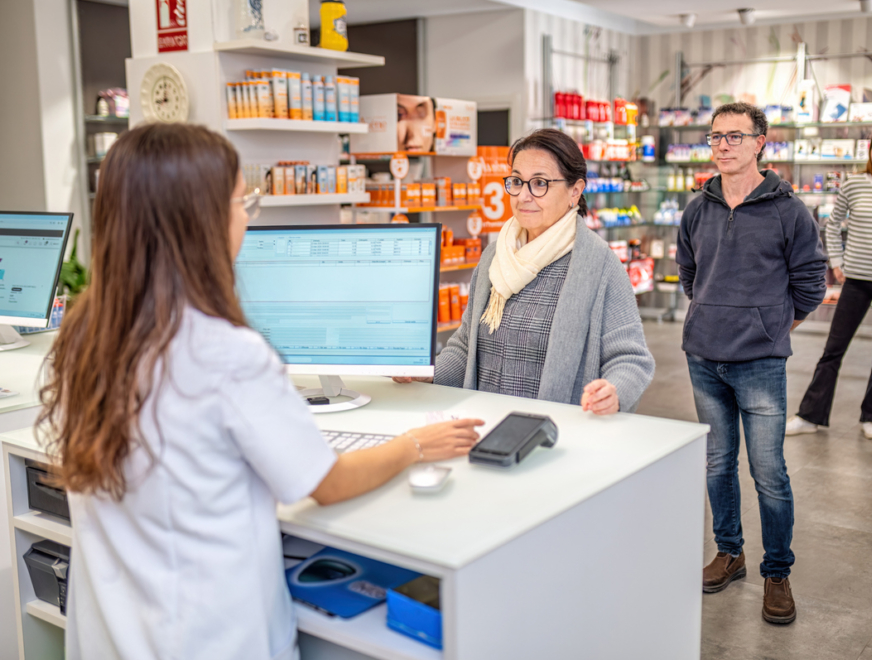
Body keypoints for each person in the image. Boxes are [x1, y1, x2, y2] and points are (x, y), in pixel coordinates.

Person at [39, 123, 485, 659]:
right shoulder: (224, 354)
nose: (247, 216)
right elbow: (326, 482)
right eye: (239, 201)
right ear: (198, 221)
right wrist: (416, 444)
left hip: (112, 639)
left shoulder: (82, 339)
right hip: (208, 639)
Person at [676, 102, 827, 624]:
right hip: (703, 357)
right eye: (716, 136)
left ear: (762, 142)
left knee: (769, 474)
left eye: (735, 136)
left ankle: (777, 572)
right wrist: (712, 316)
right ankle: (730, 552)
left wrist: (771, 327)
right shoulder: (698, 207)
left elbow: (811, 283)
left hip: (760, 362)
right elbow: (689, 272)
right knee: (717, 465)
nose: (723, 145)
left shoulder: (789, 210)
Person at [397, 129, 654, 414]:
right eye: (517, 182)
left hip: (555, 432)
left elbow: (631, 359)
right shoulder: (496, 256)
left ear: (575, 191)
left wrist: (613, 392)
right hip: (484, 425)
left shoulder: (599, 265)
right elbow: (465, 347)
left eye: (540, 183)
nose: (523, 196)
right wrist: (428, 373)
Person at [786, 126, 872, 440]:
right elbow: (832, 226)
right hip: (857, 279)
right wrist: (837, 262)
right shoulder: (854, 184)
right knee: (834, 348)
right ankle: (810, 415)